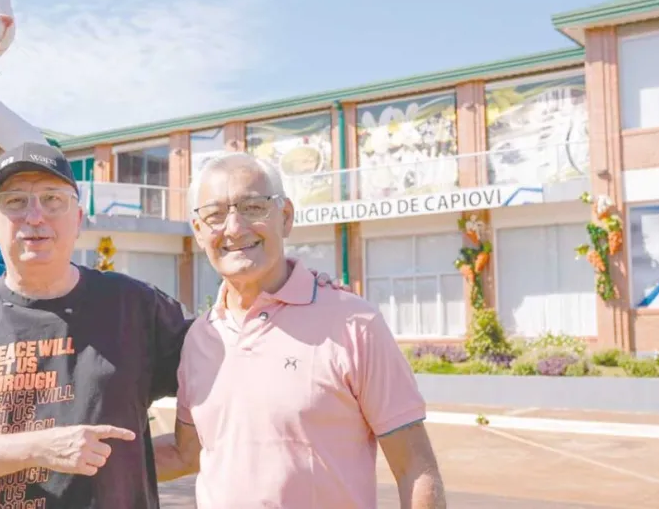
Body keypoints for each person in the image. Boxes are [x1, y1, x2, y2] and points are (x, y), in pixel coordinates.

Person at [0, 142, 343, 509]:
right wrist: (41, 450)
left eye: (52, 200)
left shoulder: (135, 306)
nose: (34, 216)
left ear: (78, 219)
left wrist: (296, 290)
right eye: (15, 202)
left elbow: (234, 361)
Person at [153, 152, 447, 509]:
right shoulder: (201, 338)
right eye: (215, 215)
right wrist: (74, 460)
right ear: (198, 232)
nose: (234, 228)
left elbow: (414, 467)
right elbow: (187, 453)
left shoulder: (353, 323)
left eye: (253, 207)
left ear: (286, 217)